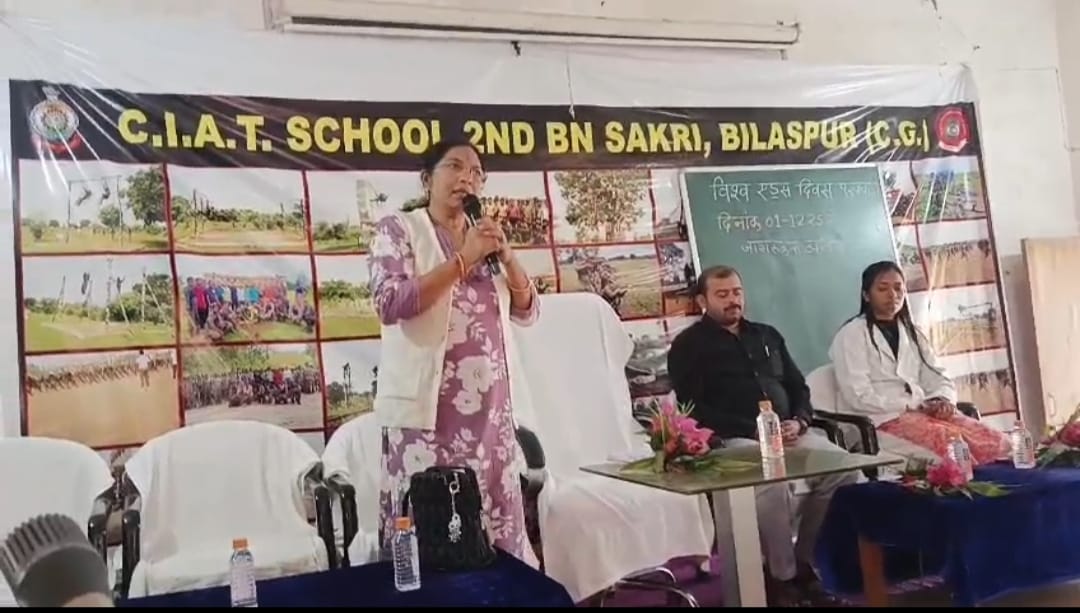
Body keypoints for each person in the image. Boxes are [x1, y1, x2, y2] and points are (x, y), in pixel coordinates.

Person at [368, 138, 539, 565]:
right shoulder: (399, 228)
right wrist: (464, 260)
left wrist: (507, 256)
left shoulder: (484, 238)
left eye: (477, 172)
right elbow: (390, 302)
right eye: (456, 166)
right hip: (429, 420)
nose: (467, 178)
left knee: (495, 544)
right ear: (427, 179)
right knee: (432, 538)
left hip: (492, 420)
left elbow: (527, 310)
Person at [667, 265, 856, 606]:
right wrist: (752, 429)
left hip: (789, 432)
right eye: (722, 295)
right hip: (735, 438)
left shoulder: (767, 335)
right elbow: (691, 406)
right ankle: (782, 577)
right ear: (702, 301)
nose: (733, 300)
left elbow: (798, 387)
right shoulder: (688, 345)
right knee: (772, 480)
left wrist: (799, 421)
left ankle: (804, 562)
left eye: (736, 292)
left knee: (844, 470)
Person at [828, 260, 1010, 465]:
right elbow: (858, 395)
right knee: (954, 447)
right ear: (866, 295)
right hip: (880, 419)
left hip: (924, 414)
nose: (893, 295)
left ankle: (1008, 484)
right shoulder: (851, 335)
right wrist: (913, 405)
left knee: (996, 441)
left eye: (898, 288)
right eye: (883, 289)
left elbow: (937, 374)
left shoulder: (913, 332)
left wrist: (941, 400)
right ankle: (975, 485)